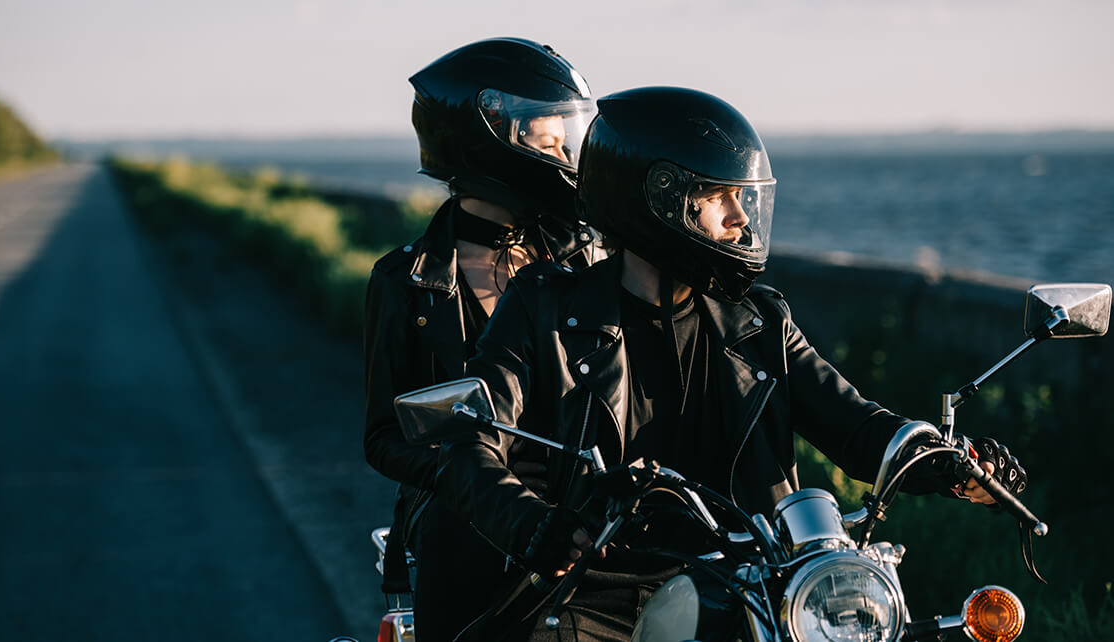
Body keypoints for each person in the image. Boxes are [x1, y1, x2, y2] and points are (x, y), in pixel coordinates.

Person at [432, 87, 1028, 640]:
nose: (741, 218)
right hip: (599, 587)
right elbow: (468, 438)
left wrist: (943, 461)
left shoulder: (760, 321)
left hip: (756, 583)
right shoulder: (544, 308)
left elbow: (854, 423)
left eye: (743, 198)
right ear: (659, 198)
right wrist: (532, 523)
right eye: (719, 198)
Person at [362, 37, 603, 641]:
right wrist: (464, 470)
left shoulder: (589, 263)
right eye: (547, 141)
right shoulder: (406, 281)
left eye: (564, 140)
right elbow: (384, 436)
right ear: (489, 140)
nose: (564, 156)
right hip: (466, 516)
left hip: (582, 507)